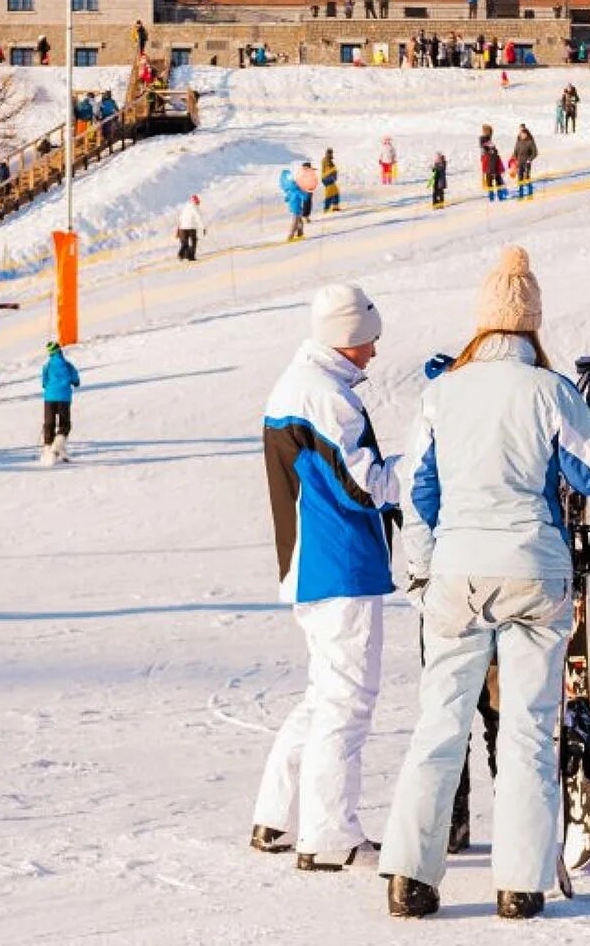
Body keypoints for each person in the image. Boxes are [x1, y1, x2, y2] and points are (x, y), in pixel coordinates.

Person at [380, 246, 590, 921]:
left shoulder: (442, 393)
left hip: (457, 572)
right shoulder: (551, 391)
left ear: (482, 321)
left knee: (440, 724)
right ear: (532, 323)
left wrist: (423, 572)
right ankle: (519, 885)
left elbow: (417, 491)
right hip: (534, 572)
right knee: (527, 730)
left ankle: (410, 879)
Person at [252, 283, 400, 872]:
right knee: (347, 703)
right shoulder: (325, 397)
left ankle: (279, 815)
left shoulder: (298, 384)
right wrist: (428, 463)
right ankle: (329, 836)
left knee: (325, 695)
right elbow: (365, 485)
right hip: (338, 566)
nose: (374, 352)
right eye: (368, 341)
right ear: (346, 338)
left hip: (311, 565)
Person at [39, 342, 81, 465]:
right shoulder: (68, 365)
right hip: (64, 398)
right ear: (60, 351)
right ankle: (58, 445)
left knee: (49, 424)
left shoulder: (47, 366)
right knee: (64, 424)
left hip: (49, 398)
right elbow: (76, 380)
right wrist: (74, 382)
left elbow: (44, 383)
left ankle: (48, 450)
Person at [282, 163, 315, 242]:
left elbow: (287, 198)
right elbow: (305, 197)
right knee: (295, 222)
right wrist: (307, 193)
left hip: (293, 208)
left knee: (299, 221)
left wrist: (287, 199)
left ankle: (299, 234)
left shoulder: (291, 191)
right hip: (297, 209)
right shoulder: (298, 191)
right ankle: (292, 236)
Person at [478, 126, 506, 203]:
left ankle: (495, 197)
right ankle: (495, 197)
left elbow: (492, 156)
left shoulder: (488, 144)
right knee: (493, 181)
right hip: (490, 166)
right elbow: (490, 155)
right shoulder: (486, 143)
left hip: (491, 165)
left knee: (494, 181)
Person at [510, 125, 538, 201]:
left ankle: (530, 193)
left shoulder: (530, 142)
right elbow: (515, 151)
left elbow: (535, 153)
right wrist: (514, 159)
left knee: (527, 178)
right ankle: (521, 194)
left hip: (526, 163)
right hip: (519, 163)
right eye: (520, 134)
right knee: (520, 179)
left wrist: (529, 160)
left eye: (523, 134)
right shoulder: (518, 142)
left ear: (526, 134)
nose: (521, 135)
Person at [177, 195, 206, 262]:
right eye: (198, 201)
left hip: (182, 227)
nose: (198, 203)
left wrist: (179, 227)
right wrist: (203, 227)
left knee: (185, 243)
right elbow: (199, 218)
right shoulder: (195, 208)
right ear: (196, 201)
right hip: (191, 227)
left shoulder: (186, 207)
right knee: (194, 241)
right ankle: (191, 257)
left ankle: (181, 254)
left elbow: (180, 217)